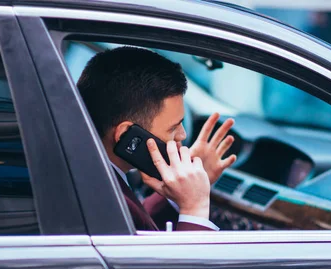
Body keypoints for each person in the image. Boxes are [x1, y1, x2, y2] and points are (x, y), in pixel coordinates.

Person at [77, 46, 236, 231]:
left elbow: (137, 225)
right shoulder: (102, 200)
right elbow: (181, 261)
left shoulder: (89, 173)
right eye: (173, 127)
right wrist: (195, 207)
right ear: (129, 137)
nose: (183, 135)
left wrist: (183, 192)